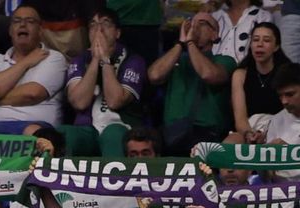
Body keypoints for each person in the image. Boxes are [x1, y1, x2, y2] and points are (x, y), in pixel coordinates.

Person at [148, 13, 236, 155]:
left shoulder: (224, 60)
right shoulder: (176, 59)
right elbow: (154, 75)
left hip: (208, 135)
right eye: (191, 23)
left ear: (214, 35)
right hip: (172, 135)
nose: (193, 27)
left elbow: (208, 75)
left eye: (202, 23)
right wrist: (180, 44)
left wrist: (190, 43)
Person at [64, 10, 147, 155]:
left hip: (120, 126)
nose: (99, 30)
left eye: (105, 24)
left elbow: (115, 101)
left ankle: (115, 178)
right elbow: (79, 102)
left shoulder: (134, 60)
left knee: (112, 134)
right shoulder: (79, 60)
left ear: (117, 33)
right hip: (86, 128)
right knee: (64, 134)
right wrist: (95, 60)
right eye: (93, 25)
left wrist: (105, 60)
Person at [0, 5, 67, 128]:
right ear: (10, 30)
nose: (22, 25)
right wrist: (26, 63)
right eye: (17, 21)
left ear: (40, 31)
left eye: (30, 21)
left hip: (34, 130)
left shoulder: (53, 57)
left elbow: (32, 94)